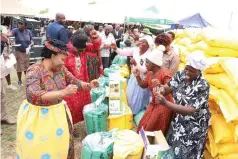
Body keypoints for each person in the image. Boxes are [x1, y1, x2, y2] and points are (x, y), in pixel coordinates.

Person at [15, 39, 99, 159]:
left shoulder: (60, 70)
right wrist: (63, 92)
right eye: (62, 59)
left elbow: (75, 82)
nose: (64, 63)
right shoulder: (34, 70)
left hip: (59, 115)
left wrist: (89, 85)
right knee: (43, 149)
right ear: (52, 56)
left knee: (63, 146)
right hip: (39, 118)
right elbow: (34, 94)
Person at [155, 53, 210, 159]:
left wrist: (165, 103)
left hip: (194, 126)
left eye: (192, 71)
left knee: (188, 153)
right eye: (186, 69)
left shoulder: (202, 85)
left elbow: (190, 110)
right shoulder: (180, 75)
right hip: (179, 121)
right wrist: (161, 90)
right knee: (175, 148)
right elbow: (168, 87)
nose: (187, 73)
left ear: (199, 71)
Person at [64, 32, 102, 126]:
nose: (82, 52)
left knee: (84, 106)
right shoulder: (64, 52)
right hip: (71, 85)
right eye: (80, 50)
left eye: (83, 50)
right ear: (73, 45)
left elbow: (96, 47)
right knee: (72, 108)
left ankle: (84, 123)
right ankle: (71, 127)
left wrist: (94, 36)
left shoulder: (83, 49)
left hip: (84, 83)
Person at [134, 46, 173, 133]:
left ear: (154, 64)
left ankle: (153, 145)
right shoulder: (150, 73)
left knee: (152, 127)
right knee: (143, 124)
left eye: (147, 62)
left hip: (164, 104)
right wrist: (137, 76)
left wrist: (161, 86)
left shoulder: (165, 73)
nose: (145, 65)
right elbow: (143, 85)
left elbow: (171, 88)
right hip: (154, 102)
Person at [112, 37, 152, 115]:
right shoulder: (135, 50)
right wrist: (115, 48)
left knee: (139, 97)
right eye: (141, 41)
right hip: (134, 77)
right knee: (130, 94)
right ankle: (130, 111)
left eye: (144, 42)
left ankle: (135, 113)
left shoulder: (150, 55)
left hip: (142, 79)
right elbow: (122, 52)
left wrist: (135, 64)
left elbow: (144, 69)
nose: (141, 43)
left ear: (148, 45)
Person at [4, 19, 34, 87]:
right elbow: (9, 34)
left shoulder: (28, 32)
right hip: (18, 51)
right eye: (19, 23)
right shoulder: (15, 30)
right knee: (19, 67)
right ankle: (19, 81)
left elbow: (31, 40)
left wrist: (31, 44)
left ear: (25, 25)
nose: (19, 25)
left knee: (27, 67)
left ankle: (27, 80)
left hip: (26, 51)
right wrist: (5, 33)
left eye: (21, 24)